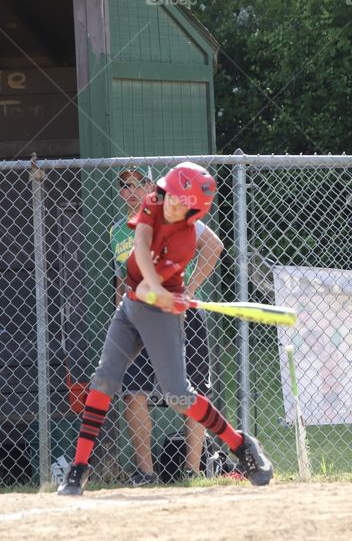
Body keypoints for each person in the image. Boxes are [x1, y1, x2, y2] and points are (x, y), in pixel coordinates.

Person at [59, 162, 273, 495]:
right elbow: (141, 247)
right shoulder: (153, 202)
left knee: (178, 395)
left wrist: (169, 295)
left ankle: (241, 444)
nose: (171, 202)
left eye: (180, 200)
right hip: (131, 304)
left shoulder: (186, 240)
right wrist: (152, 287)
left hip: (159, 312)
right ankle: (79, 468)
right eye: (171, 194)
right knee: (103, 381)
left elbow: (154, 290)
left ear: (194, 209)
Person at [110, 167, 224, 485]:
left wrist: (190, 291)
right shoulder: (117, 232)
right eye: (124, 185)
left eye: (138, 184)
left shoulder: (174, 216)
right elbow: (123, 279)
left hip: (177, 314)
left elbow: (214, 246)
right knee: (133, 391)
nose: (131, 190)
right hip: (139, 316)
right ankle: (146, 473)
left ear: (152, 187)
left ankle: (192, 471)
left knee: (191, 391)